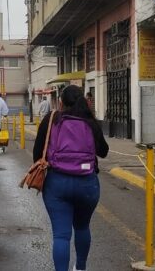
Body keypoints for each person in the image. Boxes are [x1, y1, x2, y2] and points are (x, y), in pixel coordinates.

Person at [33, 85, 109, 271]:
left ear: (61, 102)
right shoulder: (91, 122)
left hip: (57, 184)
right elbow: (104, 152)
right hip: (87, 184)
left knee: (61, 235)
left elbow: (37, 154)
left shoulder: (51, 120)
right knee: (82, 227)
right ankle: (81, 267)